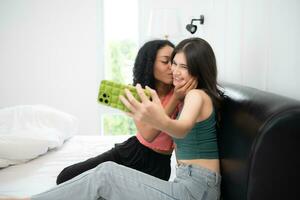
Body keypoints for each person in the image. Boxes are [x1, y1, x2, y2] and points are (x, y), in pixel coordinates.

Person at [1, 37, 223, 200]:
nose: (174, 70)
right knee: (92, 175)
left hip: (195, 188)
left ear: (198, 68)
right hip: (188, 183)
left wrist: (159, 117)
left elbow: (181, 129)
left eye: (182, 66)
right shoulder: (179, 95)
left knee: (106, 174)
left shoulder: (194, 95)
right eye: (172, 63)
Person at [55, 39, 196, 184]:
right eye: (165, 61)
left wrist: (178, 96)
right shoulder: (138, 93)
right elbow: (148, 135)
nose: (171, 68)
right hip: (131, 152)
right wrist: (175, 99)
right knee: (65, 178)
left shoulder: (182, 93)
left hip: (158, 165)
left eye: (173, 62)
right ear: (150, 64)